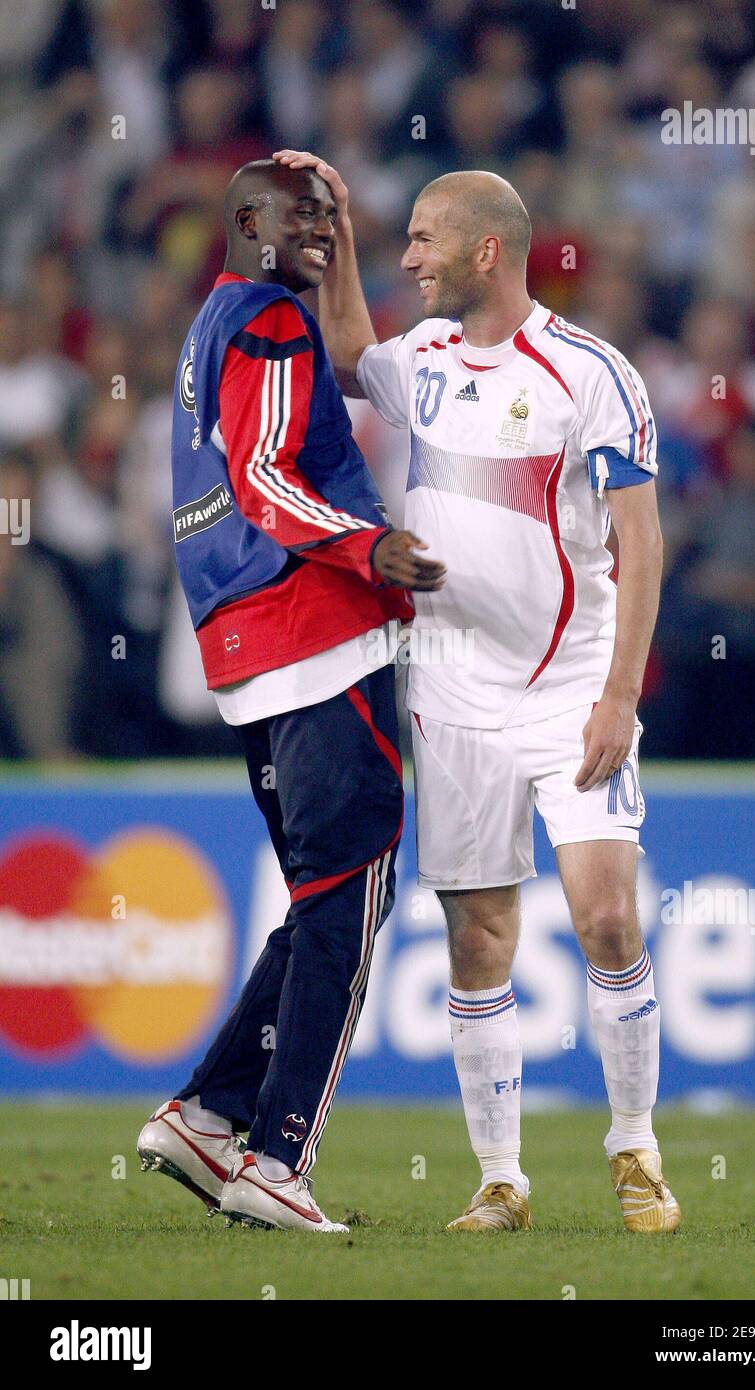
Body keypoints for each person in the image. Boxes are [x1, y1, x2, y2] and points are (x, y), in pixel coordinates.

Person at [276, 147, 679, 1234]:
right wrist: (344, 231)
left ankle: (635, 1148)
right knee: (479, 939)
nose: (411, 259)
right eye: (400, 239)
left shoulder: (590, 373)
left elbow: (641, 547)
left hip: (571, 692)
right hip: (450, 694)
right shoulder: (427, 354)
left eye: (421, 240)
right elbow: (354, 349)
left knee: (604, 915)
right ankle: (501, 1178)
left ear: (485, 250)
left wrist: (620, 694)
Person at [137, 158, 444, 1233]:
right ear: (244, 222)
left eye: (328, 213)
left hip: (244, 643)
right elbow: (267, 471)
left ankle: (210, 1113)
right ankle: (276, 1161)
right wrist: (372, 546)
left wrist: (342, 235)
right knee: (348, 899)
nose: (317, 227)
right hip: (317, 629)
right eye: (298, 214)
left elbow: (229, 472)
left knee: (327, 895)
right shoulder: (268, 317)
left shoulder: (215, 320)